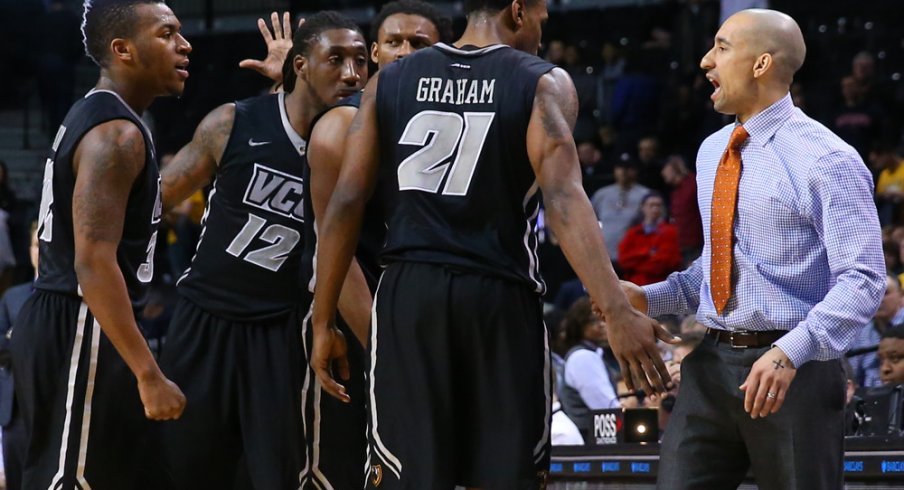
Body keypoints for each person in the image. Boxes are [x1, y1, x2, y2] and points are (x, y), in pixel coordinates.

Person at [309, 0, 676, 487]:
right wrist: (615, 310)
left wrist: (322, 318)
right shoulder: (542, 81)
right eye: (543, 14)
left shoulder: (388, 82)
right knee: (508, 474)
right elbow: (564, 200)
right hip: (498, 295)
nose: (545, 27)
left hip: (409, 298)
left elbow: (346, 202)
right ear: (519, 10)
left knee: (409, 475)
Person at [622, 9, 885, 490]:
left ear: (761, 64)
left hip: (796, 370)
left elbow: (864, 280)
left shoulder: (828, 159)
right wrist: (644, 296)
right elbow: (718, 267)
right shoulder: (711, 149)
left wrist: (790, 353)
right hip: (710, 364)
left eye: (721, 47)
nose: (705, 61)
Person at [154, 11, 367, 489]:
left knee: (271, 474)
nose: (352, 73)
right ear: (300, 65)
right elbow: (152, 200)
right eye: (335, 59)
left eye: (359, 60)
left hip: (280, 329)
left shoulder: (359, 144)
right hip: (204, 316)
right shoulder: (233, 121)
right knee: (183, 464)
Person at [8, 1, 191, 488]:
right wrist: (148, 373)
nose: (184, 44)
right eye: (167, 33)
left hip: (81, 319)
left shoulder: (108, 117)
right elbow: (92, 264)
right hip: (81, 320)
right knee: (70, 479)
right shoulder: (116, 135)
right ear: (123, 49)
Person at [298, 2, 451, 488]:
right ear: (377, 53)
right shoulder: (346, 125)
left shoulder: (460, 120)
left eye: (419, 44)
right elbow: (336, 248)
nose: (404, 53)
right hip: (365, 325)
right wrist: (385, 353)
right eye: (393, 43)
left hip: (435, 318)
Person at [0, 222, 37, 490]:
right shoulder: (12, 296)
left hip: (51, 408)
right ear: (29, 249)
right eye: (37, 245)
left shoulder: (74, 296)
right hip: (13, 412)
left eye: (47, 245)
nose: (42, 251)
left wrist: (17, 338)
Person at [559, 298, 621, 440]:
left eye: (604, 319)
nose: (603, 325)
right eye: (595, 321)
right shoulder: (583, 357)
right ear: (579, 325)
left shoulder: (591, 354)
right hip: (588, 442)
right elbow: (606, 408)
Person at [591, 154, 650, 263]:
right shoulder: (602, 194)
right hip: (604, 255)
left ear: (635, 171)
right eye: (620, 168)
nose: (623, 172)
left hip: (633, 256)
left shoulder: (645, 195)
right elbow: (588, 221)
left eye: (628, 168)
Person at [850, 274, 904, 388]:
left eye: (885, 293)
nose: (879, 299)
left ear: (901, 294)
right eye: (873, 294)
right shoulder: (860, 332)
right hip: (870, 399)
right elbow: (853, 377)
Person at [617, 192, 682, 286]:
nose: (655, 209)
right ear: (643, 207)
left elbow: (668, 262)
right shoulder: (632, 233)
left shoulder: (670, 232)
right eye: (651, 205)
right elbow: (623, 260)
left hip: (661, 285)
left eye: (658, 205)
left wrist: (637, 262)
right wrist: (647, 252)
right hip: (636, 286)